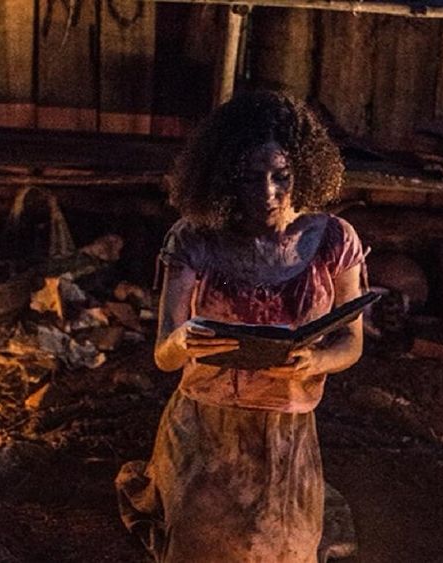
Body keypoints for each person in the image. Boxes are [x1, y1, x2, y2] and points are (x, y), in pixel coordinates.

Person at [116, 91, 367, 562]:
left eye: (281, 176)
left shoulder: (333, 240)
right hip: (205, 427)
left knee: (285, 551)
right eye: (250, 178)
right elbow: (163, 356)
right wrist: (182, 340)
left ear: (303, 170)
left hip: (286, 432)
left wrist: (316, 360)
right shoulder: (194, 239)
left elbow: (351, 342)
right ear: (225, 177)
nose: (267, 193)